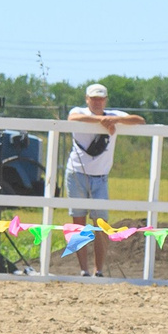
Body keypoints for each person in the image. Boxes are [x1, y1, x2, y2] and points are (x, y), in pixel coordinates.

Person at [64, 85, 144, 277]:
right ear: (87, 99)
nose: (97, 102)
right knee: (78, 222)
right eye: (94, 99)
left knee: (101, 223)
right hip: (77, 173)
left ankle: (98, 269)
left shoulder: (114, 114)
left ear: (106, 100)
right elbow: (72, 118)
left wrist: (111, 120)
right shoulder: (79, 111)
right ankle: (83, 269)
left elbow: (139, 120)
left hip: (100, 176)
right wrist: (102, 122)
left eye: (100, 99)